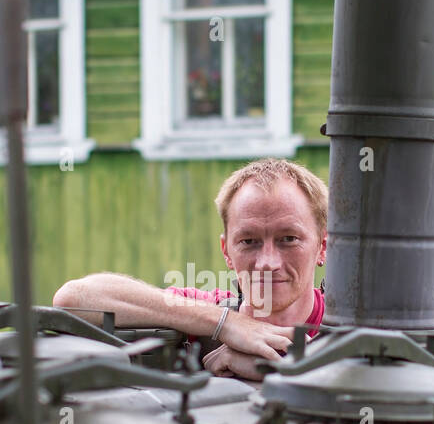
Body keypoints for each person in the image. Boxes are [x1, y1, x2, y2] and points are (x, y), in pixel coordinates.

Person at [53, 158, 328, 380]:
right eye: (249, 241)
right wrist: (226, 324)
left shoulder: (353, 327)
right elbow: (73, 299)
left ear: (323, 246)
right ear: (227, 253)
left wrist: (275, 368)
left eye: (288, 239)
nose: (268, 262)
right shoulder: (206, 312)